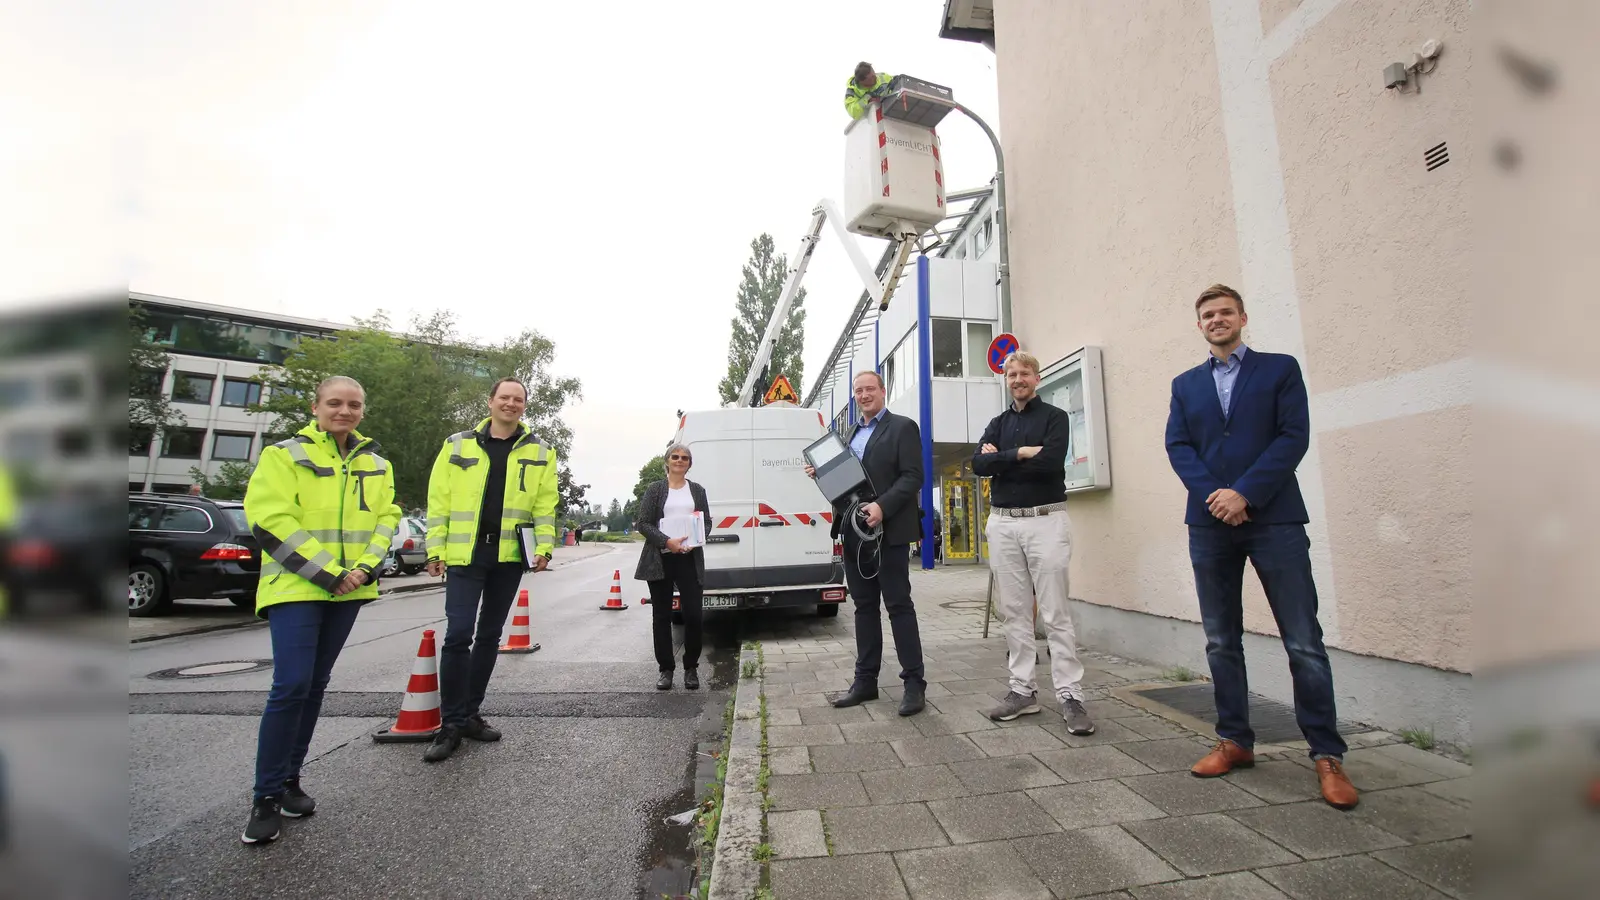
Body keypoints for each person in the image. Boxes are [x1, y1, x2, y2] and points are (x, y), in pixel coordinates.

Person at [1165, 283, 1358, 810]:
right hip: (1209, 525)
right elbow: (1177, 446)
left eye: (1225, 311)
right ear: (1199, 325)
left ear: (1243, 318)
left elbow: (1292, 436)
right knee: (1221, 640)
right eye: (1207, 314)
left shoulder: (1279, 369)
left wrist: (1245, 493)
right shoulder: (1186, 385)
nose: (1217, 319)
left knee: (1303, 641)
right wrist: (1216, 497)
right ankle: (1235, 741)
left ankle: (1325, 753)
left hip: (1274, 519)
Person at [240, 375, 401, 844]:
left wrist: (367, 568)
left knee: (314, 685)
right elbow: (269, 520)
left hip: (348, 589)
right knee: (290, 685)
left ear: (362, 411)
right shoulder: (283, 455)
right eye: (335, 403)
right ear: (316, 408)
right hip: (296, 586)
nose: (344, 411)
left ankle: (290, 781)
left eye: (354, 404)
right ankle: (265, 796)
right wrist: (330, 571)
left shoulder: (376, 463)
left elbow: (387, 517)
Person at [422, 377, 560, 763]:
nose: (511, 404)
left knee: (489, 637)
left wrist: (545, 547)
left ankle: (469, 715)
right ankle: (449, 724)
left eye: (518, 399)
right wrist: (436, 549)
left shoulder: (541, 451)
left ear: (525, 406)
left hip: (508, 557)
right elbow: (439, 501)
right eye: (505, 398)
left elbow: (545, 504)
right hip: (465, 555)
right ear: (491, 402)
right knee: (458, 634)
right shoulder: (457, 444)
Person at [972, 351, 1096, 736]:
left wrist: (1002, 460)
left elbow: (1051, 462)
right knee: (1014, 612)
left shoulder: (1055, 419)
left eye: (1024, 373)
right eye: (1011, 374)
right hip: (1004, 523)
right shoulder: (998, 423)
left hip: (1047, 520)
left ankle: (1070, 694)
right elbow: (977, 465)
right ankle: (1022, 690)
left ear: (1036, 378)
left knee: (1055, 611)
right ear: (1006, 379)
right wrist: (1020, 453)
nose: (1018, 379)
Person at [805, 370, 927, 716]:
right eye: (858, 391)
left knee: (899, 606)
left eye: (869, 389)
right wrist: (823, 474)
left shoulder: (903, 427)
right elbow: (849, 485)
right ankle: (865, 682)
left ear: (882, 391)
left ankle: (914, 685)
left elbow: (913, 476)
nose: (863, 395)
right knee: (863, 609)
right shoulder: (850, 433)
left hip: (889, 533)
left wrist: (882, 507)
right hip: (855, 533)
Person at [633, 443, 713, 690]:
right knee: (662, 616)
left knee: (693, 615)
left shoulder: (697, 491)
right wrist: (667, 541)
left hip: (689, 558)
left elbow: (706, 522)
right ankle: (666, 669)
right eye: (675, 457)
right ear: (667, 461)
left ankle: (691, 669)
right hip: (661, 559)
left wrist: (696, 540)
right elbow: (644, 523)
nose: (680, 460)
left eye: (685, 458)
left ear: (690, 463)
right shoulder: (655, 489)